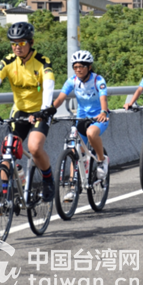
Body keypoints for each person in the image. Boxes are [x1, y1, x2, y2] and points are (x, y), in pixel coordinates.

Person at [0, 22, 56, 203]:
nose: (17, 47)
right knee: (6, 151)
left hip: (40, 111)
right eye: (14, 43)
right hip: (19, 112)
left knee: (34, 147)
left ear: (31, 42)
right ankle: (5, 195)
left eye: (22, 43)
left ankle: (48, 179)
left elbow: (49, 86)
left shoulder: (42, 62)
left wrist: (44, 110)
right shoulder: (7, 62)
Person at [53, 51, 109, 202]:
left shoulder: (98, 80)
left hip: (98, 116)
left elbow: (103, 98)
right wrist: (50, 111)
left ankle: (101, 160)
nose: (78, 69)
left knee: (91, 133)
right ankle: (73, 187)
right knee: (74, 151)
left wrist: (103, 111)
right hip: (82, 116)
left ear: (89, 67)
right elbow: (60, 98)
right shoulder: (72, 80)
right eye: (75, 67)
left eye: (81, 66)